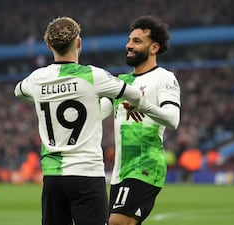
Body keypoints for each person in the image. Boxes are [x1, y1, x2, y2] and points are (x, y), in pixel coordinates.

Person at [14, 16, 153, 225]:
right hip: (86, 175)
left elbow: (18, 92)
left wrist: (42, 95)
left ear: (49, 45)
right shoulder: (93, 76)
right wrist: (132, 104)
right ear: (78, 43)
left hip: (52, 177)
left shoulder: (37, 78)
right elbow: (134, 95)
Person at [101, 15, 181, 225]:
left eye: (137, 41)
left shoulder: (164, 77)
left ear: (154, 47)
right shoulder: (121, 82)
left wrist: (143, 104)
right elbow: (98, 113)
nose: (129, 45)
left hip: (146, 165)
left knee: (117, 222)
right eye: (129, 40)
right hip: (120, 170)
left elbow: (173, 119)